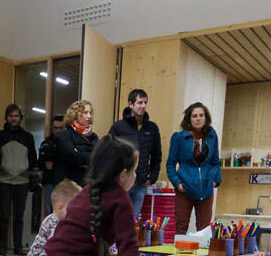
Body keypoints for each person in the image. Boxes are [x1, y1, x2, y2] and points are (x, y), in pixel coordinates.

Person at [43, 135, 142, 256]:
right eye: (134, 170)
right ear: (123, 175)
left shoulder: (90, 189)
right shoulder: (119, 198)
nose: (135, 176)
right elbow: (128, 247)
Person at [166, 102, 222, 233]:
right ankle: (180, 253)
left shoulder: (212, 137)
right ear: (189, 119)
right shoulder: (179, 138)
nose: (198, 118)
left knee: (204, 229)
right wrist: (178, 184)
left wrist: (214, 181)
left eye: (201, 115)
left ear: (206, 118)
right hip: (185, 189)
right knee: (181, 226)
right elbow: (170, 164)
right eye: (194, 116)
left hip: (206, 190)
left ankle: (201, 254)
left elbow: (215, 162)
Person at [109, 88, 162, 219]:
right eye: (139, 103)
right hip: (122, 183)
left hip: (141, 183)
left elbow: (157, 155)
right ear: (130, 104)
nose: (143, 106)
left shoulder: (152, 128)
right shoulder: (118, 127)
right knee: (118, 219)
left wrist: (152, 178)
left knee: (133, 223)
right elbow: (109, 152)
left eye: (145, 102)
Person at [0, 104, 36, 255]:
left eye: (16, 116)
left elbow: (33, 159)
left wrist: (30, 176)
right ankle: (2, 247)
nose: (14, 119)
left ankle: (18, 247)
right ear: (6, 117)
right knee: (4, 215)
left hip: (22, 181)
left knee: (19, 216)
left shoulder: (28, 137)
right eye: (11, 116)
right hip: (4, 180)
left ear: (20, 118)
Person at [27, 179, 82, 256]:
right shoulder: (49, 223)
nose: (78, 213)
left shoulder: (76, 222)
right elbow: (36, 250)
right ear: (60, 207)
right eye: (75, 209)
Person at [56, 100, 97, 186]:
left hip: (88, 182)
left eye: (90, 113)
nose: (89, 116)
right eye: (85, 113)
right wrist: (90, 156)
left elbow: (99, 157)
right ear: (75, 114)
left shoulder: (93, 136)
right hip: (69, 183)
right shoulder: (66, 134)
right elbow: (72, 157)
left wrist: (79, 152)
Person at [39, 115, 65, 219]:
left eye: (60, 128)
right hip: (49, 180)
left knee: (63, 211)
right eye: (55, 128)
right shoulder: (46, 144)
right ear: (51, 128)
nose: (58, 131)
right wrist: (45, 164)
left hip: (63, 182)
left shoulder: (67, 144)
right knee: (49, 212)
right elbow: (39, 163)